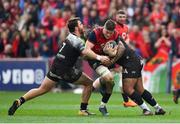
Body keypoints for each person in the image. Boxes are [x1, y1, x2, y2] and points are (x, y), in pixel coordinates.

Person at [8, 17, 110, 116]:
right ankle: (83, 110)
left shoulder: (69, 37)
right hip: (65, 69)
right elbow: (86, 52)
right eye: (80, 24)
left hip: (56, 66)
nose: (83, 25)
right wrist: (99, 57)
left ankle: (20, 100)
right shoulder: (77, 41)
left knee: (42, 89)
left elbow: (82, 55)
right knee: (89, 83)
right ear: (76, 28)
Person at [85, 19, 166, 116]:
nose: (108, 35)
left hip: (130, 62)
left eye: (110, 33)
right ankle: (158, 108)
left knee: (127, 89)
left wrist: (112, 60)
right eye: (107, 32)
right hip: (135, 60)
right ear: (104, 28)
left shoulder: (113, 36)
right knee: (140, 89)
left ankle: (146, 110)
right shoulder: (102, 36)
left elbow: (122, 48)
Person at [114, 9, 137, 107]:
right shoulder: (114, 27)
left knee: (119, 78)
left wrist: (129, 48)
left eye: (123, 17)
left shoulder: (126, 28)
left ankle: (126, 100)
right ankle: (126, 100)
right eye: (120, 17)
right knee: (110, 78)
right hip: (115, 55)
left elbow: (126, 40)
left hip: (123, 56)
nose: (122, 18)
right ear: (116, 17)